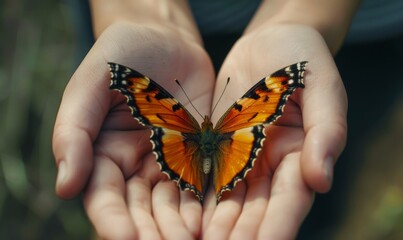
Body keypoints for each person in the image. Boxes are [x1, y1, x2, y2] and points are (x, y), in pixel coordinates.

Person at [52, 0, 357, 239]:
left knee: (313, 206)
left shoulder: (179, 116)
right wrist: (140, 10)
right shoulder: (236, 115)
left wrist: (307, 14)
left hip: (364, 30)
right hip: (134, 11)